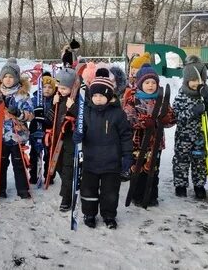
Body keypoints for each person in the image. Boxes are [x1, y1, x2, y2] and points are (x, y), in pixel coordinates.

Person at [73, 69, 132, 229]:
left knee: (110, 193)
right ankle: (89, 213)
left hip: (111, 163)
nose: (98, 99)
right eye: (95, 96)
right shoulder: (85, 112)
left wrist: (127, 155)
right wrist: (77, 136)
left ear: (109, 96)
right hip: (90, 161)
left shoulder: (118, 114)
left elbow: (126, 136)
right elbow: (79, 131)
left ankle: (109, 215)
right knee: (88, 190)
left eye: (101, 96)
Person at [123, 64, 175, 206]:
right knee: (138, 171)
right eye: (147, 82)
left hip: (155, 144)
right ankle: (137, 195)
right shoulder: (133, 99)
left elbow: (171, 117)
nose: (150, 85)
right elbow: (128, 118)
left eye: (153, 82)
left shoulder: (161, 99)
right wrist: (142, 122)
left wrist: (167, 118)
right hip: (138, 143)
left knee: (153, 170)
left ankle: (152, 196)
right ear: (140, 83)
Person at [172, 56, 208, 199]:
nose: (196, 83)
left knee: (200, 162)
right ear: (186, 80)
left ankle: (199, 185)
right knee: (181, 161)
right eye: (193, 80)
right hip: (183, 138)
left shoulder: (205, 96)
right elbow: (176, 116)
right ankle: (180, 184)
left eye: (200, 80)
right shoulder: (181, 97)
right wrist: (192, 112)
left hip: (201, 136)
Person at [0, 58, 34, 199]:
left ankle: (22, 189)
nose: (8, 80)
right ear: (1, 78)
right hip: (0, 135)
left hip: (17, 135)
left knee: (18, 163)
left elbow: (30, 115)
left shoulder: (23, 96)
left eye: (11, 77)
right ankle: (0, 188)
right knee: (1, 163)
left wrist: (19, 113)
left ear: (17, 79)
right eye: (5, 77)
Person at [46, 68, 79, 212]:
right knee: (57, 165)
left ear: (72, 87)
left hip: (70, 139)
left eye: (64, 88)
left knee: (67, 168)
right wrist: (53, 103)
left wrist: (73, 107)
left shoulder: (78, 99)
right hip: (57, 138)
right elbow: (50, 118)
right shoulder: (58, 97)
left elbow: (84, 118)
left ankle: (66, 198)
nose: (61, 90)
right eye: (59, 87)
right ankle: (68, 187)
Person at [28, 74, 56, 185]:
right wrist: (35, 111)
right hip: (36, 129)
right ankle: (34, 175)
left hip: (48, 130)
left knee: (49, 154)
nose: (47, 89)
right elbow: (29, 111)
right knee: (34, 154)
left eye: (50, 87)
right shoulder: (35, 98)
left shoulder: (54, 101)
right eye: (44, 87)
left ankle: (49, 176)